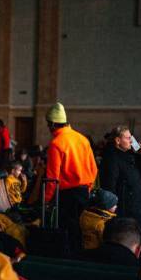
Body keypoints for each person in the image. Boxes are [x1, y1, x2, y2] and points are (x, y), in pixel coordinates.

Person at [43, 102, 98, 252]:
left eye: (48, 124)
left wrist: (46, 200)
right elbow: (93, 169)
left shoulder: (56, 143)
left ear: (53, 124)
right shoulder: (82, 139)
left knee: (67, 233)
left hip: (66, 196)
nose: (48, 128)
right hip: (84, 192)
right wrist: (88, 187)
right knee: (80, 231)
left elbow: (52, 178)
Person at [99, 126, 141, 230]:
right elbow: (109, 185)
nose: (131, 141)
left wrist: (140, 155)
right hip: (124, 210)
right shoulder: (111, 159)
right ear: (118, 140)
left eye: (131, 138)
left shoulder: (131, 156)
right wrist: (113, 207)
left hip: (135, 207)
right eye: (128, 138)